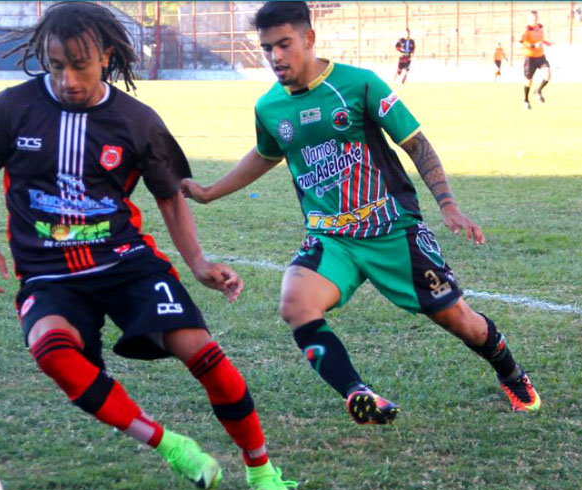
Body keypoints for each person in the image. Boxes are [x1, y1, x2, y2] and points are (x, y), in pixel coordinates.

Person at [0, 2, 296, 490]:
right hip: (49, 274)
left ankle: (261, 468)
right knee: (51, 350)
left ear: (107, 57)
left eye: (81, 65)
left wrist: (199, 263)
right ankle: (169, 444)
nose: (68, 80)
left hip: (125, 263)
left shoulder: (136, 121)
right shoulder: (12, 109)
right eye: (56, 65)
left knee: (202, 354)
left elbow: (169, 196)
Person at [181, 1, 541, 424]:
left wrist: (448, 205)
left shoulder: (359, 85)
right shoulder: (269, 107)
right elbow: (265, 153)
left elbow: (415, 143)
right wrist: (209, 193)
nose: (275, 57)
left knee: (461, 321)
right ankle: (358, 393)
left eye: (284, 44)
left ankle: (511, 373)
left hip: (392, 229)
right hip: (331, 237)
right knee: (295, 303)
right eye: (267, 48)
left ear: (309, 38)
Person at [519, 10, 552, 110]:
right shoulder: (526, 30)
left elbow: (541, 40)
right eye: (533, 17)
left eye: (536, 17)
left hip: (541, 57)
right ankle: (526, 100)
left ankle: (538, 90)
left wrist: (548, 43)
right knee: (528, 81)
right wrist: (533, 45)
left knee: (548, 74)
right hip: (530, 58)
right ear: (529, 19)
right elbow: (521, 43)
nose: (535, 19)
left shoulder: (540, 28)